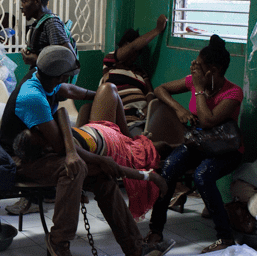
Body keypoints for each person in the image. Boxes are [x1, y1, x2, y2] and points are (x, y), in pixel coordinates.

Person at [0, 45, 175, 256]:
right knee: (73, 167)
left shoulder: (43, 77)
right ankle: (59, 242)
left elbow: (69, 91)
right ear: (60, 74)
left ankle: (135, 249)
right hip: (18, 159)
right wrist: (101, 160)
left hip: (42, 152)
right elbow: (62, 147)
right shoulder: (33, 96)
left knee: (103, 177)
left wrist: (99, 95)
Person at [14, 82, 172, 220]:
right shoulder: (69, 155)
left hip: (101, 126)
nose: (41, 131)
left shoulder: (56, 135)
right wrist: (150, 176)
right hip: (118, 149)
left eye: (37, 131)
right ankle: (140, 144)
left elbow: (62, 112)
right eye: (39, 137)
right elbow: (113, 168)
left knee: (108, 88)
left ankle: (130, 137)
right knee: (162, 147)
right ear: (44, 149)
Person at [145, 34, 244, 254]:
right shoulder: (194, 81)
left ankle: (225, 237)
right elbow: (160, 89)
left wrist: (199, 89)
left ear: (214, 71)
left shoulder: (233, 92)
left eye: (199, 66)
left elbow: (207, 120)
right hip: (199, 144)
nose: (193, 70)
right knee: (168, 168)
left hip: (225, 149)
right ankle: (155, 231)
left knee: (202, 176)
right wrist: (179, 109)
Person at [7, 0, 73, 216]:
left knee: (33, 141)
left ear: (37, 1)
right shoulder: (41, 24)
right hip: (41, 86)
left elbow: (65, 58)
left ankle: (35, 195)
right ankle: (39, 193)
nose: (21, 6)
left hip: (45, 90)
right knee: (29, 139)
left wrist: (33, 59)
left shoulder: (52, 23)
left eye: (24, 1)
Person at [99, 14, 167, 135]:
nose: (132, 54)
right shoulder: (110, 63)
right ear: (122, 46)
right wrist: (157, 30)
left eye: (136, 53)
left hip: (143, 115)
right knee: (141, 140)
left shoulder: (140, 72)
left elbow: (149, 93)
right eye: (129, 49)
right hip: (124, 117)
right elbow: (132, 47)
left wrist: (149, 109)